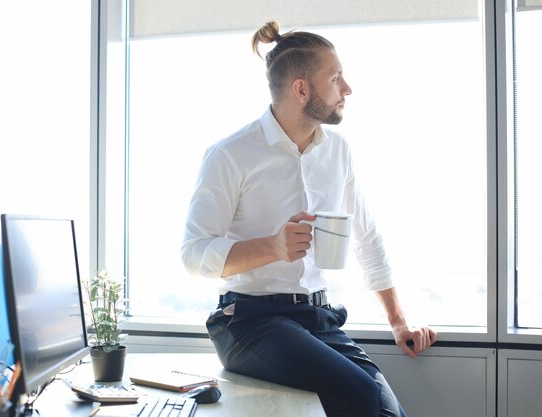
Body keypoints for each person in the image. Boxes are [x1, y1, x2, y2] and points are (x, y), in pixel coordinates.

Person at [181, 20, 437, 417]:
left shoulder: (339, 152)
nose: (347, 89)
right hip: (250, 322)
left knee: (391, 413)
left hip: (319, 318)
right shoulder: (229, 155)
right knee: (358, 393)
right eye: (336, 78)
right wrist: (273, 247)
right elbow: (194, 256)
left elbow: (366, 237)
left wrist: (399, 322)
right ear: (301, 89)